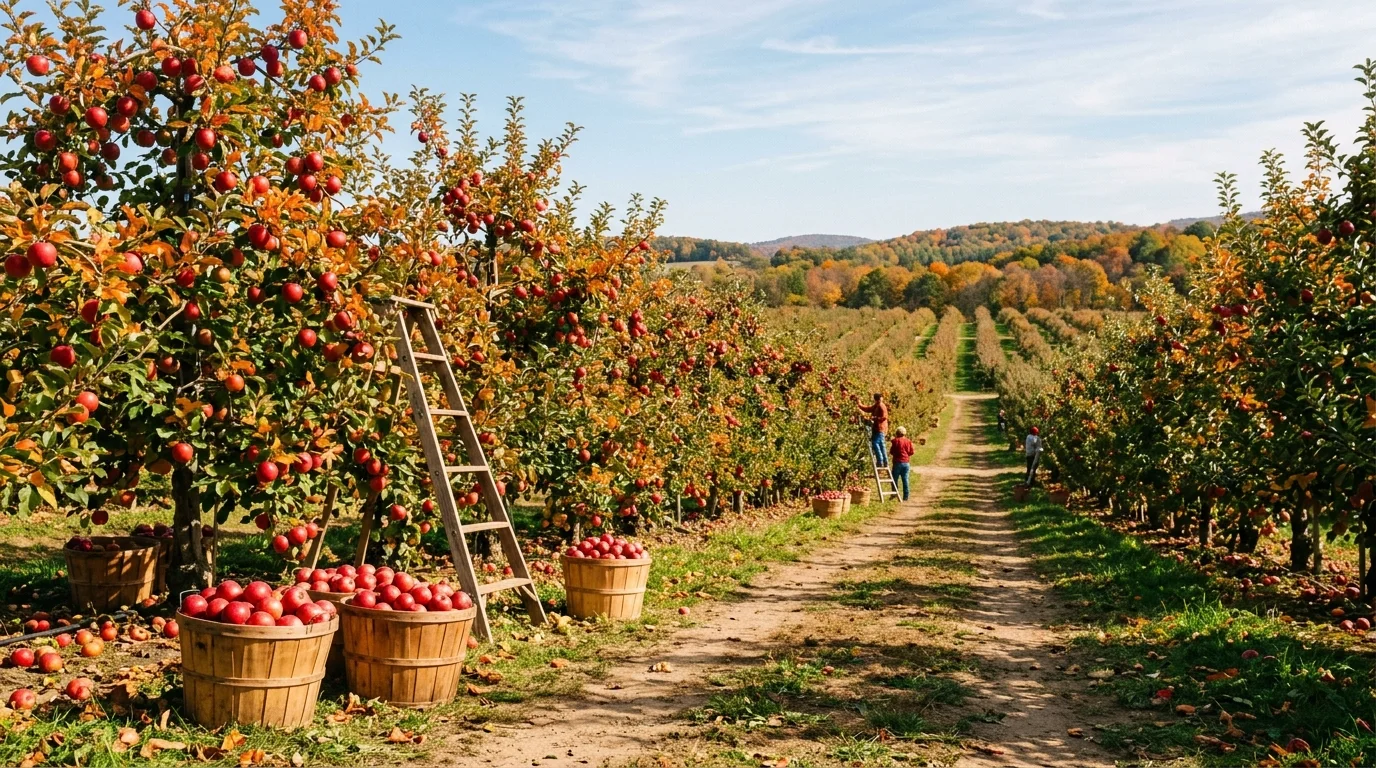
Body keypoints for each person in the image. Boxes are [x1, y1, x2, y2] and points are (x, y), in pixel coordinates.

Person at [858, 392, 889, 467]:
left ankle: (880, 461)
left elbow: (884, 417)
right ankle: (884, 461)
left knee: (876, 443)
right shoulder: (877, 405)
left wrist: (875, 418)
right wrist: (860, 404)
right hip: (877, 428)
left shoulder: (881, 406)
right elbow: (868, 409)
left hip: (880, 428)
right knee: (881, 445)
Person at [889, 427, 915, 501]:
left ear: (897, 433)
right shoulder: (908, 441)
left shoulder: (895, 441)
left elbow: (892, 451)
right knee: (905, 479)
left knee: (894, 479)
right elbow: (911, 452)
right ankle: (906, 496)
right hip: (906, 463)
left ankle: (894, 494)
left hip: (897, 462)